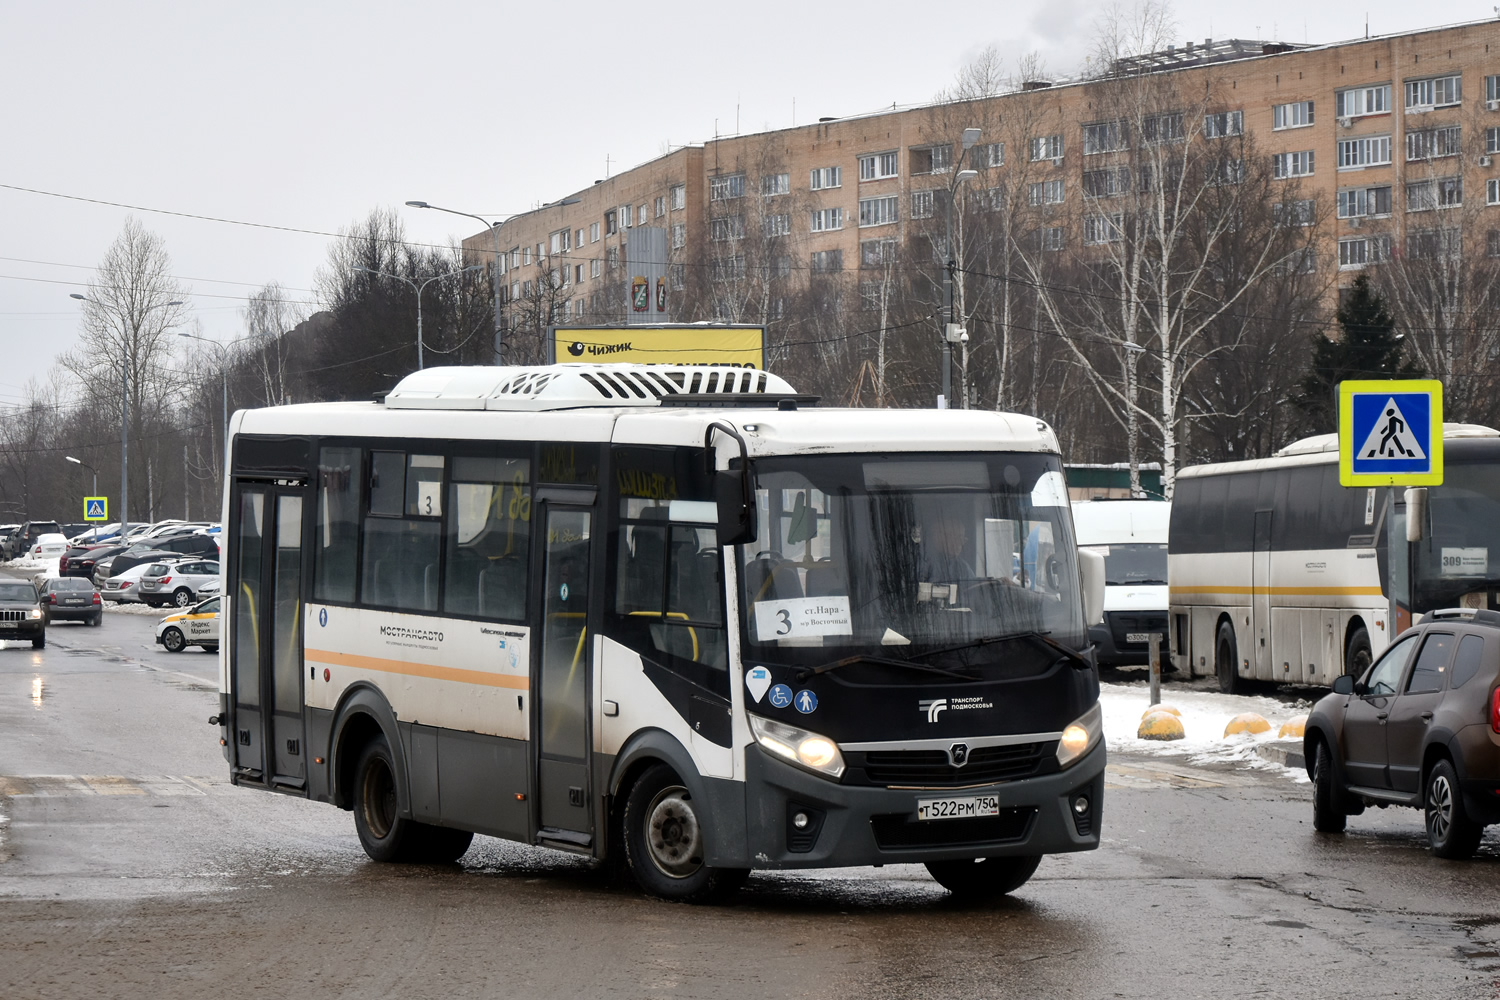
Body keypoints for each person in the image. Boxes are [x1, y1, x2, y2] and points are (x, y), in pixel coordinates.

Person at [922, 514, 975, 582]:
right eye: (954, 538)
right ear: (938, 538)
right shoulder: (925, 563)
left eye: (961, 539)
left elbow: (973, 589)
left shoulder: (963, 567)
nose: (958, 544)